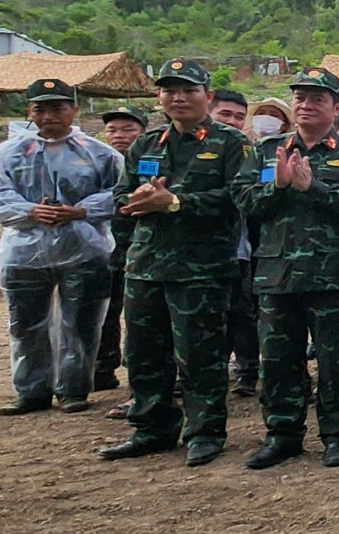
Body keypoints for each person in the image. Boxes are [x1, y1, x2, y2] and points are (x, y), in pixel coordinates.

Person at [96, 60, 248, 466]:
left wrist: (176, 202)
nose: (178, 98)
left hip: (202, 270)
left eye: (188, 90)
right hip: (146, 267)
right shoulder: (146, 145)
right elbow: (118, 199)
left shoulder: (231, 143)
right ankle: (152, 427)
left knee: (200, 355)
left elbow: (237, 199)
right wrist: (136, 203)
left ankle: (205, 431)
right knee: (144, 354)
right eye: (169, 90)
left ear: (208, 96)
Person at [234, 68, 339, 470]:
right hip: (277, 276)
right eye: (299, 97)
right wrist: (277, 187)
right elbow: (245, 202)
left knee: (335, 362)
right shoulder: (267, 151)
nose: (306, 104)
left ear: (337, 107)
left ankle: (337, 436)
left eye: (317, 98)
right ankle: (282, 435)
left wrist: (312, 187)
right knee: (279, 360)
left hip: (333, 276)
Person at [0, 79, 123, 417]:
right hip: (24, 254)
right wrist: (29, 211)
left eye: (57, 107)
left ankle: (73, 389)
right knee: (25, 324)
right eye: (40, 108)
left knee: (82, 324)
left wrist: (81, 210)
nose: (49, 115)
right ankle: (31, 392)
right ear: (28, 112)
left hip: (84, 251)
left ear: (74, 109)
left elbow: (121, 193)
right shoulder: (8, 153)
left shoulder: (99, 153)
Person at [94, 105, 149, 395]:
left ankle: (136, 376)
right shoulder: (98, 159)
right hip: (107, 247)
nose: (119, 136)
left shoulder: (152, 155)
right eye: (113, 129)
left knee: (141, 317)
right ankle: (103, 367)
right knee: (107, 309)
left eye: (128, 129)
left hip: (144, 248)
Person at [214, 92, 264, 398]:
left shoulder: (248, 152)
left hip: (241, 248)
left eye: (237, 116)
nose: (232, 121)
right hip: (195, 252)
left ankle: (247, 371)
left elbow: (245, 197)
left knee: (242, 312)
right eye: (225, 114)